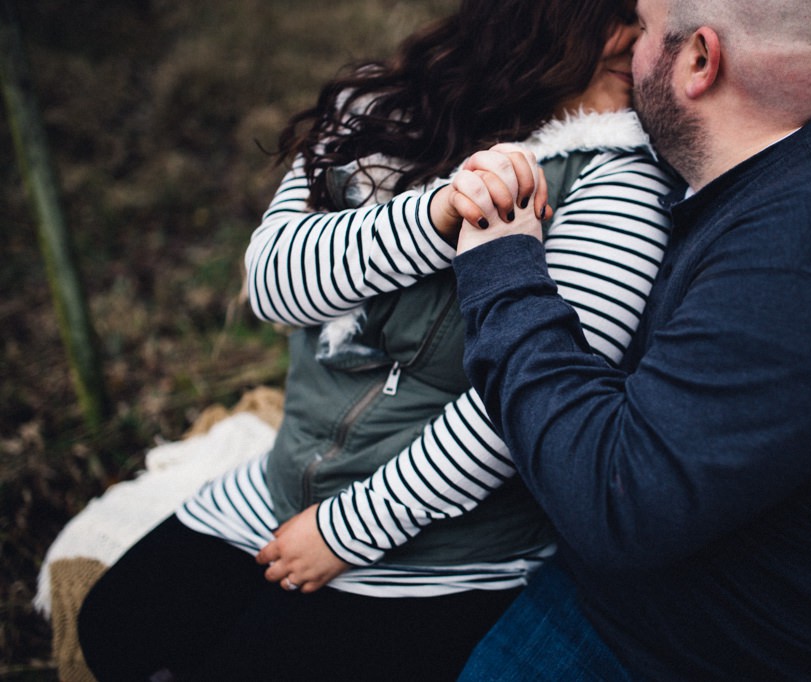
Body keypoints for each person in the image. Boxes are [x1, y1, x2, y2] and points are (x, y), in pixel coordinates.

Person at [76, 1, 675, 680]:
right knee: (112, 631)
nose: (659, 33)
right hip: (284, 479)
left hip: (442, 545)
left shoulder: (619, 180)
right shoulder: (381, 108)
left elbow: (530, 406)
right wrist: (439, 213)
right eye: (630, 13)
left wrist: (344, 531)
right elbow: (274, 286)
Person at [446, 0, 811, 679]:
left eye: (643, 26)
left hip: (712, 650)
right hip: (645, 604)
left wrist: (502, 262)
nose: (629, 51)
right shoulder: (804, 166)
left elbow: (615, 497)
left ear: (699, 60)